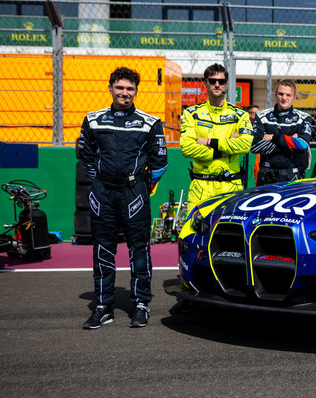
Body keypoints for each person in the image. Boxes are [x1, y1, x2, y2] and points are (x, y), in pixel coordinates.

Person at [78, 67, 168, 330]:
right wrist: (101, 182)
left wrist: (141, 187)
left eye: (130, 88)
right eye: (120, 87)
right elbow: (85, 157)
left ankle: (140, 304)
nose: (124, 93)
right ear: (110, 88)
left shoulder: (150, 122)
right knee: (103, 248)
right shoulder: (92, 120)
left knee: (139, 248)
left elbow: (160, 162)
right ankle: (103, 306)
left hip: (133, 192)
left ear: (136, 91)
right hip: (102, 192)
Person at [180, 64, 254, 212]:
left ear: (227, 84)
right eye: (213, 81)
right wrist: (222, 151)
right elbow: (187, 148)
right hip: (201, 187)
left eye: (221, 81)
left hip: (231, 186)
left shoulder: (240, 114)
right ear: (205, 83)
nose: (217, 84)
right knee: (195, 227)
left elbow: (245, 145)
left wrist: (207, 142)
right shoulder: (192, 113)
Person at [250, 80, 313, 185]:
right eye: (281, 94)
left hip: (293, 177)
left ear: (294, 97)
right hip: (267, 177)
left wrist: (273, 137)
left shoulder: (303, 118)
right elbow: (255, 146)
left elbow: (303, 145)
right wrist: (290, 141)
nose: (284, 98)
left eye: (288, 95)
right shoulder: (262, 116)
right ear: (275, 94)